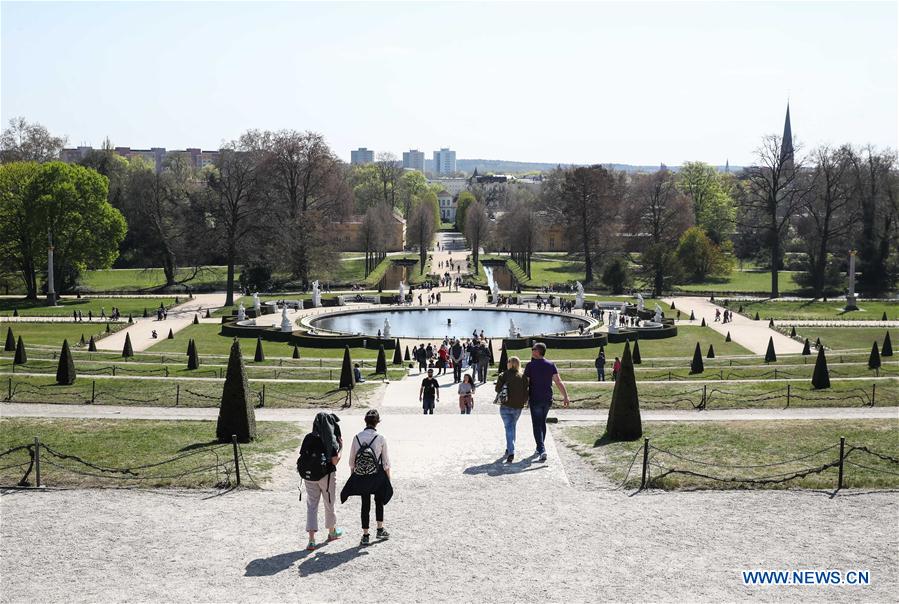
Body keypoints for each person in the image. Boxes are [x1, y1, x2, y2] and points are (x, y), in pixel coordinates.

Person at [341, 410, 392, 546]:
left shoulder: (357, 437)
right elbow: (386, 462)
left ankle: (365, 535)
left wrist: (354, 476)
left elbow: (352, 461)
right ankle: (380, 529)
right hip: (378, 474)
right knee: (379, 501)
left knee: (365, 504)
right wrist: (388, 479)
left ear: (365, 421)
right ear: (377, 422)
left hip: (362, 474)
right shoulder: (380, 438)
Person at [298, 412, 343, 551]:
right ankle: (331, 532)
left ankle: (311, 540)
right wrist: (342, 448)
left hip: (309, 476)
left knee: (312, 506)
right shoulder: (330, 439)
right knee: (329, 503)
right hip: (326, 475)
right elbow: (335, 460)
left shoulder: (308, 437)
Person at [523, 342, 569, 462]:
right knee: (542, 422)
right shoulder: (550, 364)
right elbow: (558, 382)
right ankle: (540, 447)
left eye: (533, 349)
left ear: (538, 351)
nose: (532, 351)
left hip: (536, 398)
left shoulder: (530, 366)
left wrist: (522, 398)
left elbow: (525, 384)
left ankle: (542, 449)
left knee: (537, 425)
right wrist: (565, 396)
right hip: (547, 399)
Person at [495, 356, 529, 462]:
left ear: (510, 363)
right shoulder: (522, 376)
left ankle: (511, 451)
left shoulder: (503, 375)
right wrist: (523, 402)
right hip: (518, 407)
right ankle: (510, 448)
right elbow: (526, 392)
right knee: (512, 427)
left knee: (509, 428)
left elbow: (497, 389)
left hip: (505, 405)